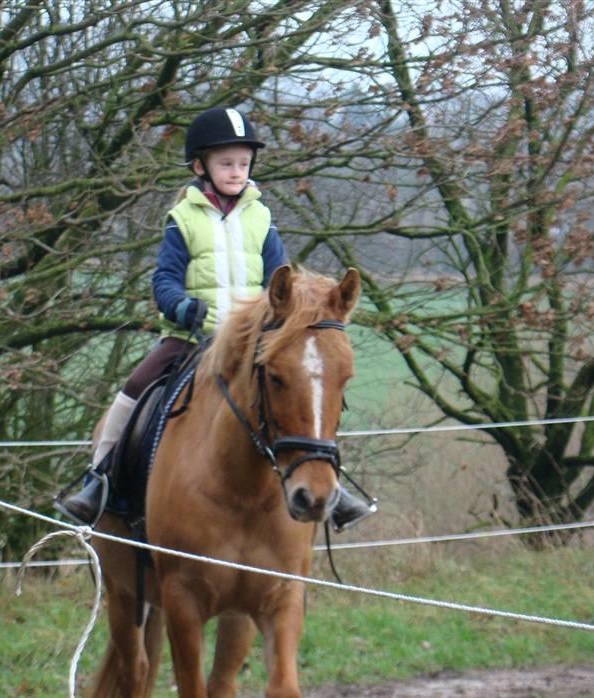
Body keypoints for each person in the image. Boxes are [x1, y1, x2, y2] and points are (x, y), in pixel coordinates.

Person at [56, 106, 376, 531]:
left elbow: (281, 282)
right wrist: (182, 306)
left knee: (304, 388)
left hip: (249, 342)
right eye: (226, 163)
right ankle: (97, 479)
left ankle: (331, 484)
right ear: (200, 165)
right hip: (190, 338)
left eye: (243, 163)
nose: (236, 171)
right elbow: (164, 280)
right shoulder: (183, 219)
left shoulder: (260, 216)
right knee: (134, 390)